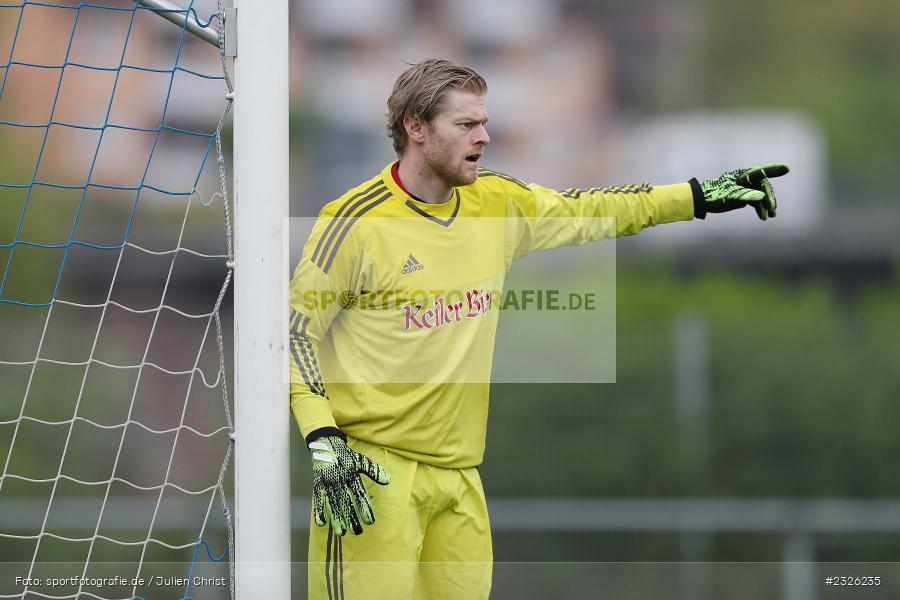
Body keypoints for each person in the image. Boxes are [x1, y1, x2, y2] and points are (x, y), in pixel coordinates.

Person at [289, 58, 788, 600]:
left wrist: (696, 197)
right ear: (416, 127)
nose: (484, 137)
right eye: (465, 124)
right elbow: (293, 334)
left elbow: (594, 208)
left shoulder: (497, 202)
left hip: (460, 478)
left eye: (484, 123)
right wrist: (322, 438)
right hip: (367, 475)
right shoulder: (354, 222)